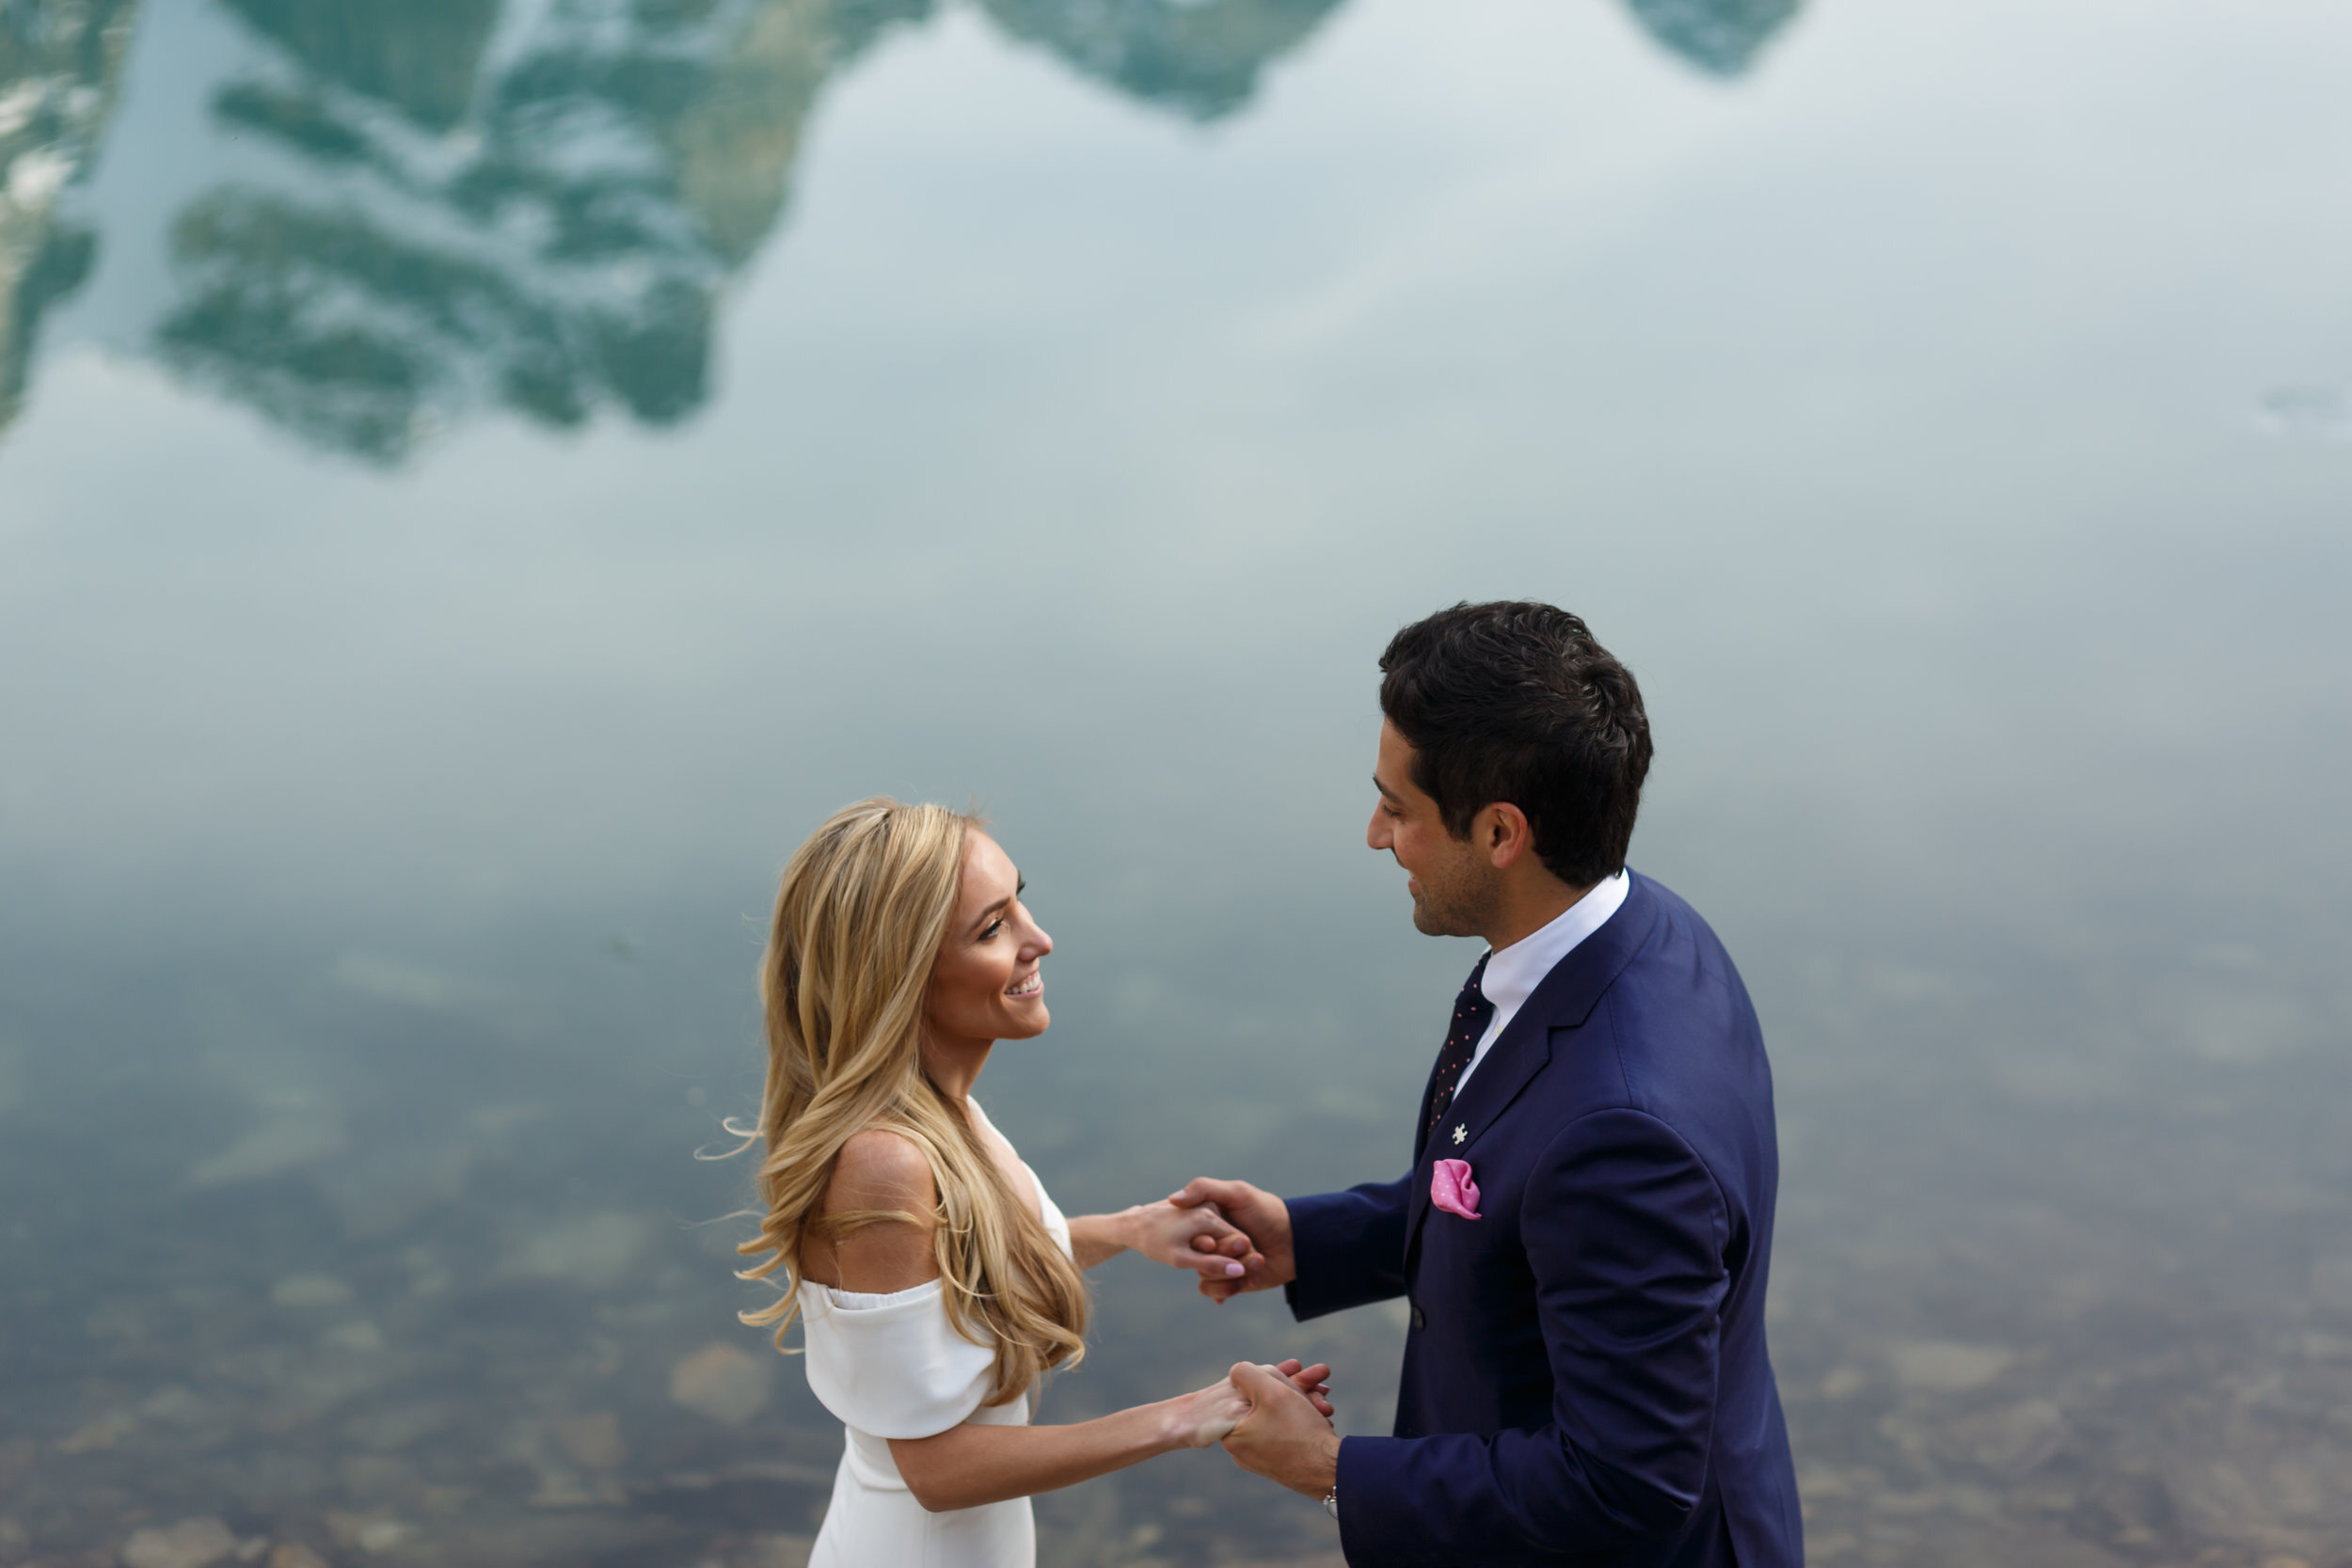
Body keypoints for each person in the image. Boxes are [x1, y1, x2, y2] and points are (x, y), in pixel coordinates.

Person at [1171, 602, 1804, 1567]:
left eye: (1399, 806)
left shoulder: (1624, 1132)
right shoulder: (1643, 930)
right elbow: (1517, 1196)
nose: (1375, 834)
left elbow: (1623, 1486)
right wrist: (1310, 1238)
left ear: (1501, 830)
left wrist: (1334, 1467)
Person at [733, 798, 1332, 1568]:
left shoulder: (938, 1111)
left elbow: (961, 1277)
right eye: (993, 928)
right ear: (903, 973)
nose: (1039, 938)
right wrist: (1193, 1413)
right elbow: (938, 1468)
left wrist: (1129, 1229)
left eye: (1020, 900)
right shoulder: (884, 1163)